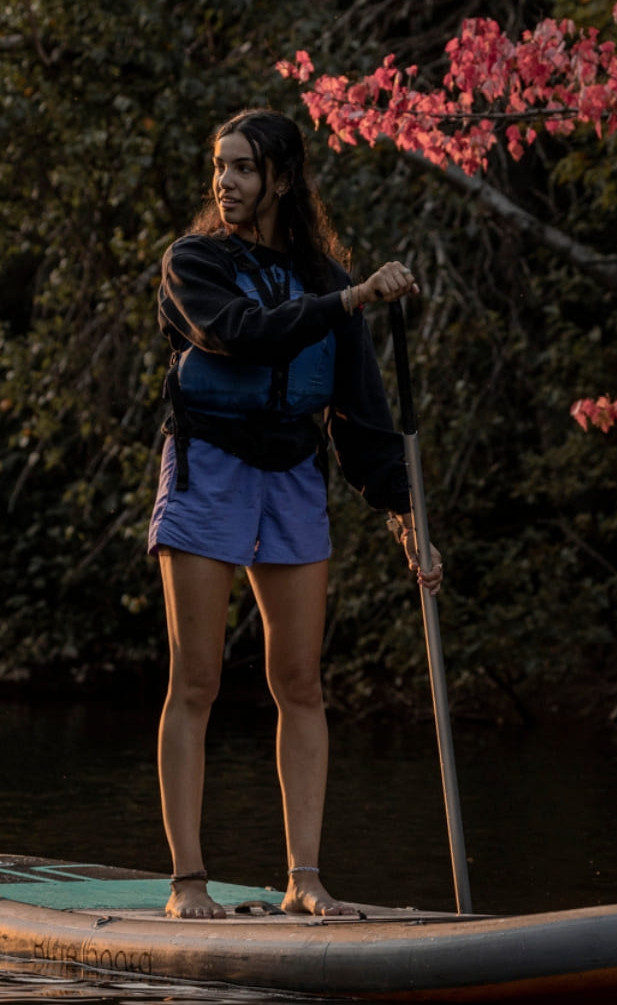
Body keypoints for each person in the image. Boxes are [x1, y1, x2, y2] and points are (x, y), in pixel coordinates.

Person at [148, 108, 443, 920]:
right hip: (210, 469)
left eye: (243, 168)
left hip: (292, 478)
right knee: (197, 679)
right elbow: (241, 335)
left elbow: (363, 417)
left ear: (281, 179)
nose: (226, 182)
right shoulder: (194, 262)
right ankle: (187, 883)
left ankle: (304, 880)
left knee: (301, 682)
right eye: (220, 166)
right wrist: (349, 297)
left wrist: (406, 518)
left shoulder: (323, 279)